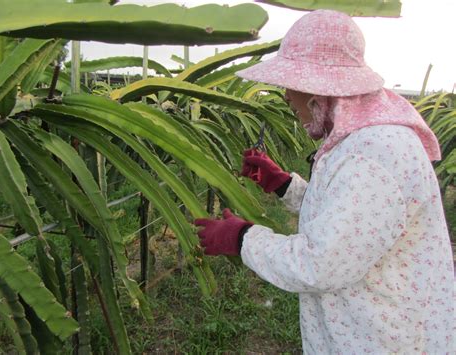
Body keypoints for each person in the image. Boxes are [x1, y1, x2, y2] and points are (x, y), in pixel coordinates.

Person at [193, 10, 454, 354]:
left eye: (292, 84)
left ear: (320, 90)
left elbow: (320, 264)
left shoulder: (371, 155)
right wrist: (283, 184)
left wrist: (242, 239)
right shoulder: (366, 139)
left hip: (383, 340)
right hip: (374, 327)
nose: (286, 96)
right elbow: (351, 220)